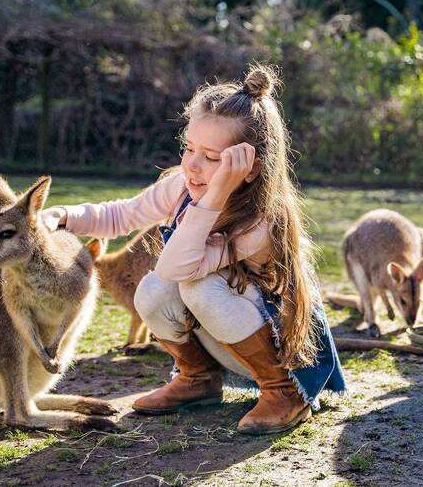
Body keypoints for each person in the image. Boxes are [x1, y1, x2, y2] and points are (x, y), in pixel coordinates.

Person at [42, 64, 346, 434]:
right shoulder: (182, 186)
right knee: (153, 291)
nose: (193, 165)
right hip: (224, 344)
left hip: (282, 354)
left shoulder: (259, 221)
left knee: (194, 284)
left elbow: (177, 267)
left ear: (248, 168)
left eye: (212, 158)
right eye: (189, 149)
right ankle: (197, 379)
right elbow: (120, 215)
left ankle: (283, 393)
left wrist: (215, 196)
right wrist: (62, 215)